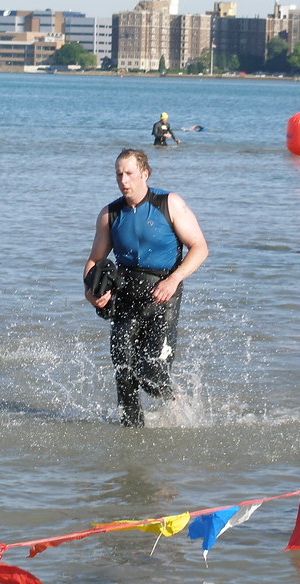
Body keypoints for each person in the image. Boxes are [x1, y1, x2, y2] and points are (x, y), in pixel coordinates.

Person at [83, 149, 208, 428]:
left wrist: (174, 280)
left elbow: (200, 248)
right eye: (119, 174)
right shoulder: (110, 214)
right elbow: (95, 260)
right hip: (125, 297)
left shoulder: (169, 203)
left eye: (129, 173)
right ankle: (131, 444)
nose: (123, 180)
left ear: (145, 174)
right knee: (124, 373)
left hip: (163, 297)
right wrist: (91, 292)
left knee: (151, 374)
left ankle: (178, 403)